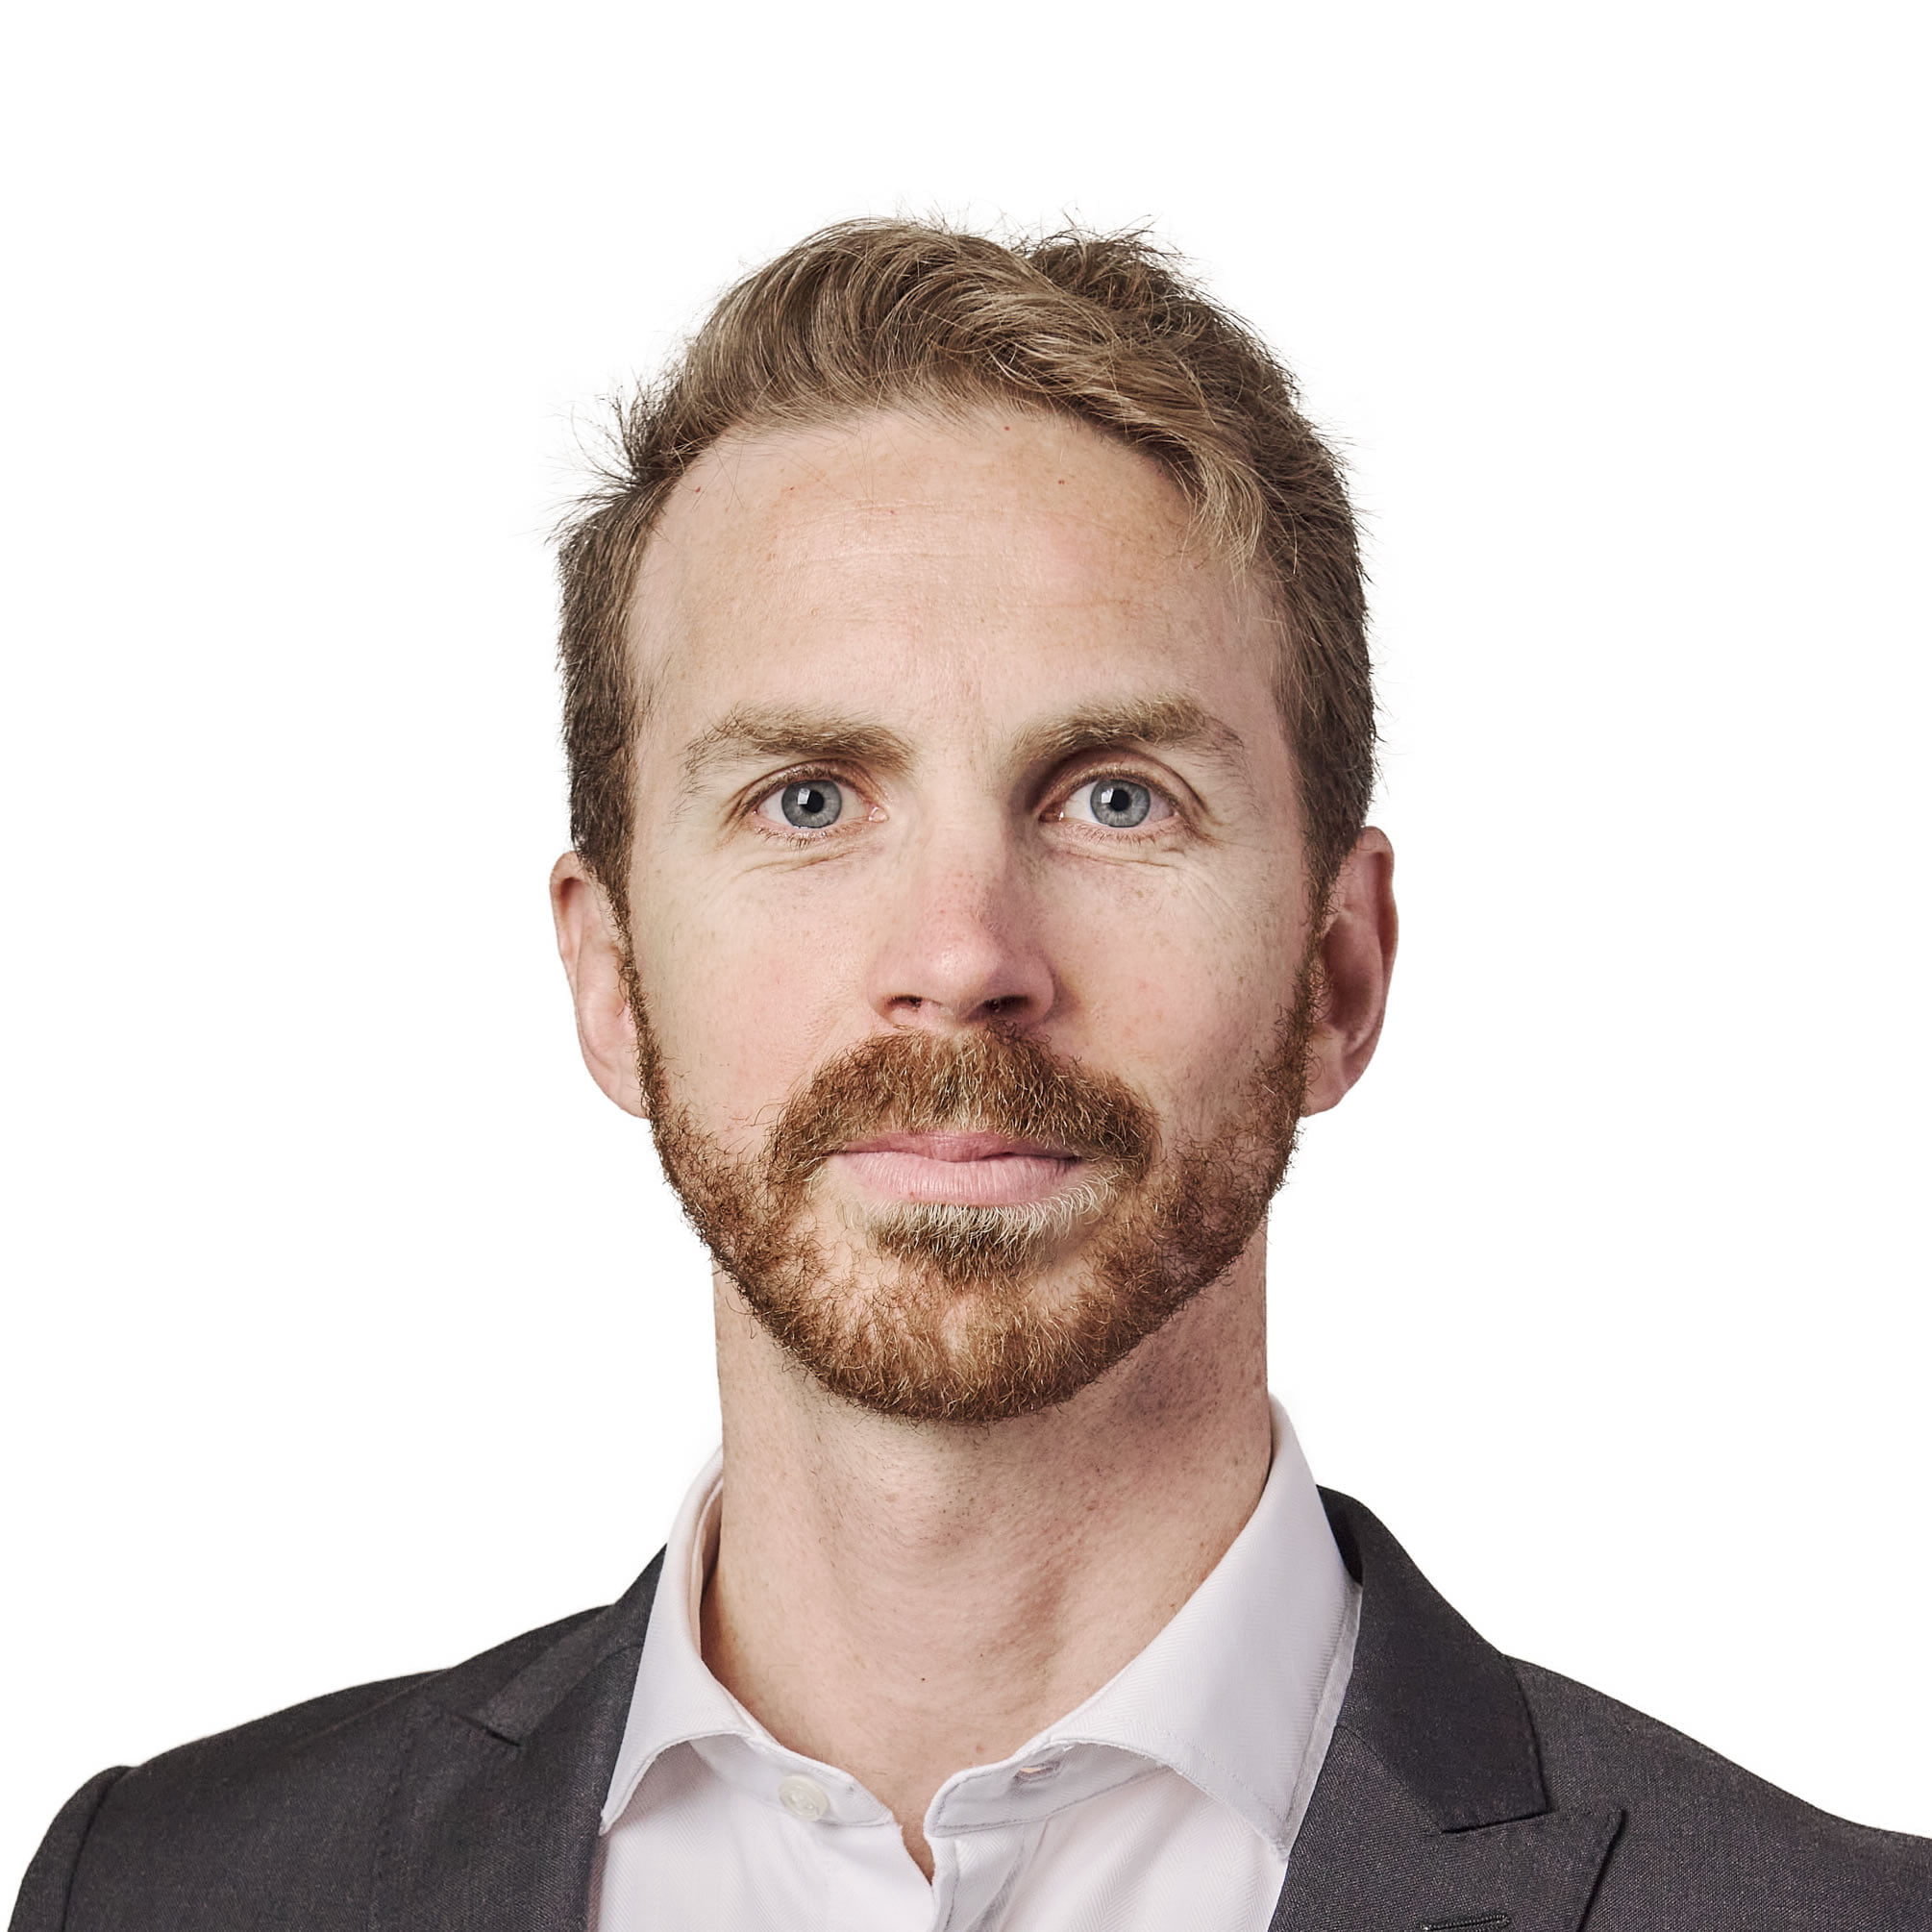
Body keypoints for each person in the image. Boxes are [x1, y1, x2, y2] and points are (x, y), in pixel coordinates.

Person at [12, 219, 1928, 1932]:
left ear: (1338, 971)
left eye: (1115, 797)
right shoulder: (166, 1894)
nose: (962, 958)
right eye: (809, 798)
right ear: (608, 975)